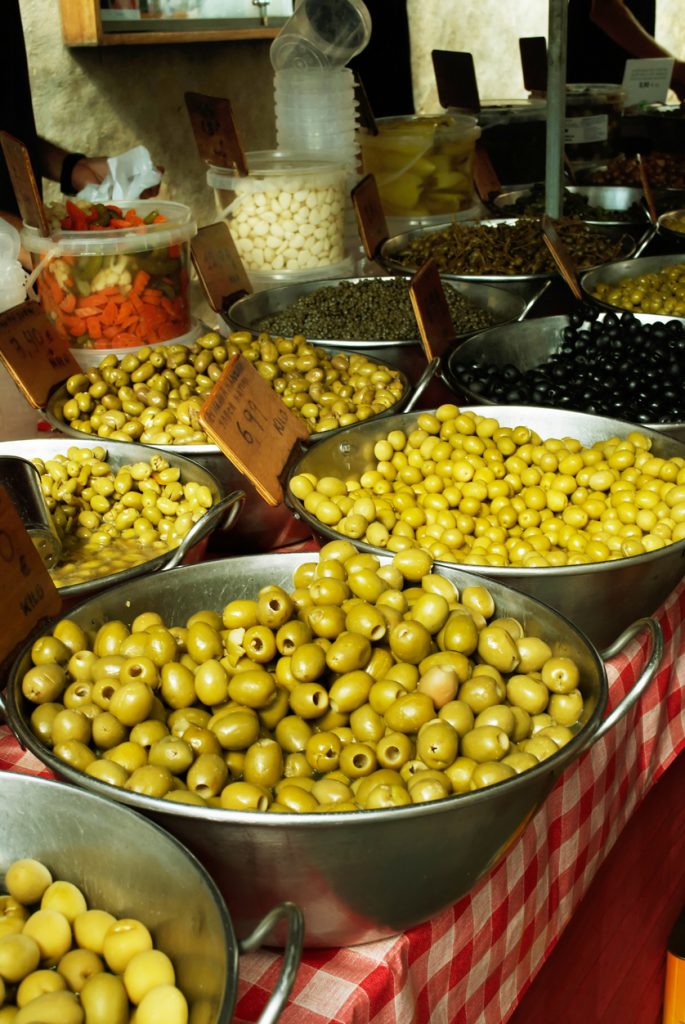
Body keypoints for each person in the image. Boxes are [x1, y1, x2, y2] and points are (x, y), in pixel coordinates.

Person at [566, 0, 685, 100]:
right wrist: (674, 68)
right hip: (591, 92)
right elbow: (606, 10)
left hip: (620, 95)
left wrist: (668, 74)